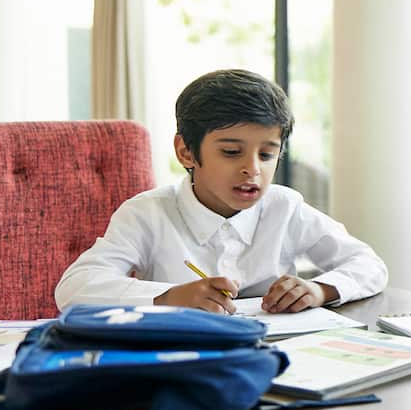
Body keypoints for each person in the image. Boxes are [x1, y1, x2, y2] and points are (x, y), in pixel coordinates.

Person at [55, 69, 388, 313]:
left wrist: (319, 289)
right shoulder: (146, 214)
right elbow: (74, 287)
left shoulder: (285, 207)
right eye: (231, 152)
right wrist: (169, 296)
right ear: (186, 152)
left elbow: (368, 264)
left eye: (267, 154)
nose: (252, 169)